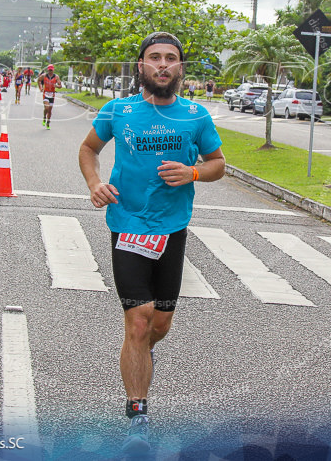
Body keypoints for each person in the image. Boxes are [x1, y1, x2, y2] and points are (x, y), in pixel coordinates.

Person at [77, 32, 225, 454]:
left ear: (180, 68)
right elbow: (89, 149)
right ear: (140, 66)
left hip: (172, 226)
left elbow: (218, 164)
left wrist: (194, 172)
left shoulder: (195, 116)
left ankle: (140, 353)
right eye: (154, 58)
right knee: (138, 320)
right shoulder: (118, 110)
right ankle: (137, 412)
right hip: (128, 223)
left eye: (171, 59)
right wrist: (95, 183)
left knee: (160, 325)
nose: (162, 65)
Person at [38, 64, 62, 128]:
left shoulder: (56, 77)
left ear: (53, 70)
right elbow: (39, 80)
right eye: (49, 70)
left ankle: (48, 122)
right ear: (48, 70)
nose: (50, 71)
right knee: (46, 108)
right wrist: (41, 87)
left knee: (50, 110)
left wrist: (56, 86)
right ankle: (44, 117)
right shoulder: (44, 76)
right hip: (45, 93)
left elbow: (60, 86)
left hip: (52, 94)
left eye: (51, 70)